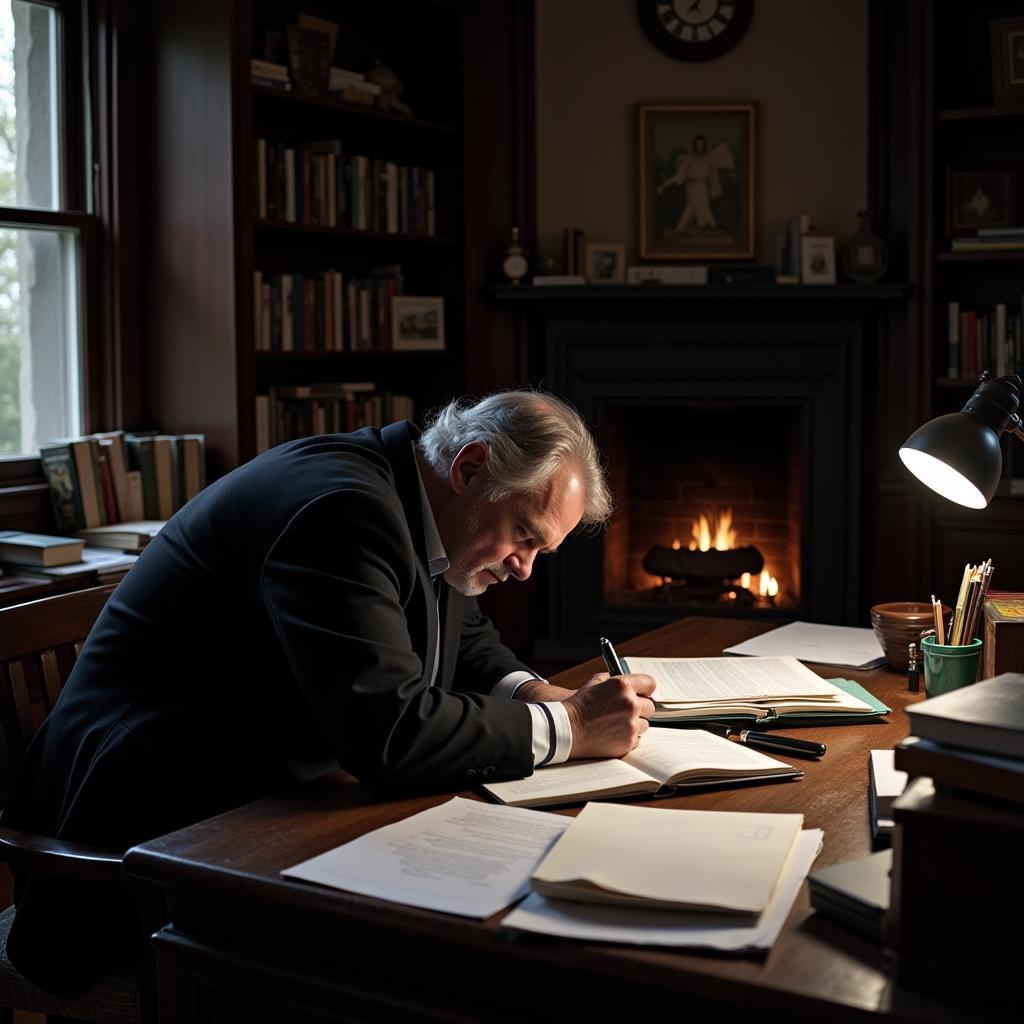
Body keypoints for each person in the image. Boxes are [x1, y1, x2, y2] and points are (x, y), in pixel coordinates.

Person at [1, 390, 656, 994]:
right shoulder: (345, 510)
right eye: (525, 537)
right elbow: (390, 732)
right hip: (140, 845)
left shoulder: (415, 498)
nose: (523, 567)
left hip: (255, 804)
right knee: (417, 971)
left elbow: (462, 634)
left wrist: (532, 693)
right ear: (471, 468)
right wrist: (570, 727)